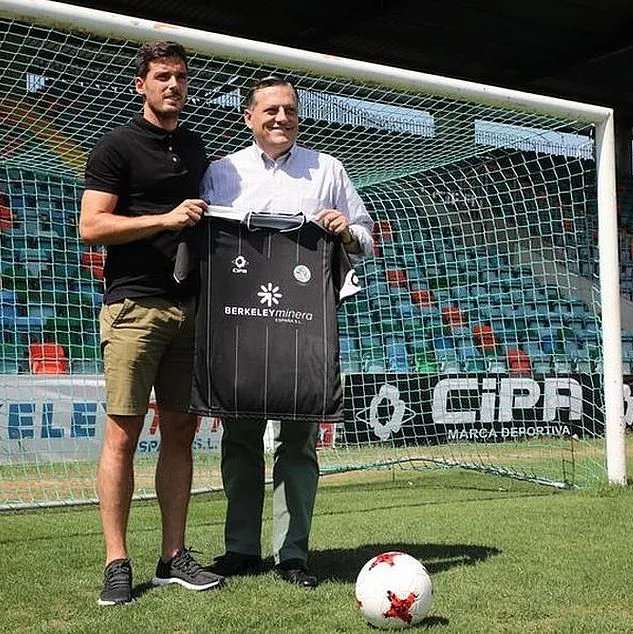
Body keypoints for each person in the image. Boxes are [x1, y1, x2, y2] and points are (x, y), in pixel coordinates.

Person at [200, 77, 374, 588]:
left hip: (304, 328)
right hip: (241, 327)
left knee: (298, 443)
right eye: (271, 110)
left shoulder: (328, 169)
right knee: (240, 440)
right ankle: (240, 549)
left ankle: (292, 554)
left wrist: (346, 231)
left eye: (291, 110)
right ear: (249, 117)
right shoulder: (222, 171)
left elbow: (366, 238)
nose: (282, 118)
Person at [79, 40, 222, 606]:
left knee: (182, 430)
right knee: (123, 433)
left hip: (190, 308)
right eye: (162, 76)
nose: (173, 85)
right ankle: (116, 562)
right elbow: (91, 226)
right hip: (134, 306)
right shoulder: (116, 146)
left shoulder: (194, 146)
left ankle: (173, 557)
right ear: (141, 84)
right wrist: (164, 218)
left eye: (180, 77)